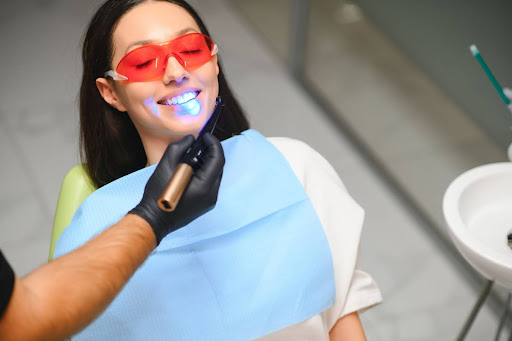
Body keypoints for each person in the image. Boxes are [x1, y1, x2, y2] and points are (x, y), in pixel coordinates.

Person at [54, 0, 383, 340]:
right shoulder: (93, 231)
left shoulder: (295, 166)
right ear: (111, 93)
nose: (175, 73)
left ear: (213, 62)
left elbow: (341, 315)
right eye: (144, 61)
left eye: (190, 49)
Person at [0, 133, 225, 341]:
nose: (175, 85)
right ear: (110, 93)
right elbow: (23, 320)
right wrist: (153, 217)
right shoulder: (93, 217)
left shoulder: (258, 156)